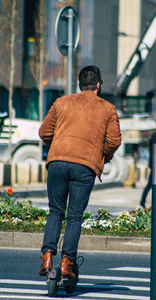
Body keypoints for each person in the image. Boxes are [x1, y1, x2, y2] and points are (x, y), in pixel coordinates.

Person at [38, 65, 121, 278]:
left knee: (55, 211)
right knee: (74, 216)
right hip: (84, 166)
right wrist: (103, 156)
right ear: (99, 85)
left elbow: (44, 132)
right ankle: (67, 263)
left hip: (57, 162)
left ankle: (47, 255)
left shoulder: (61, 102)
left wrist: (56, 148)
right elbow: (113, 141)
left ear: (78, 84)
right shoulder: (108, 108)